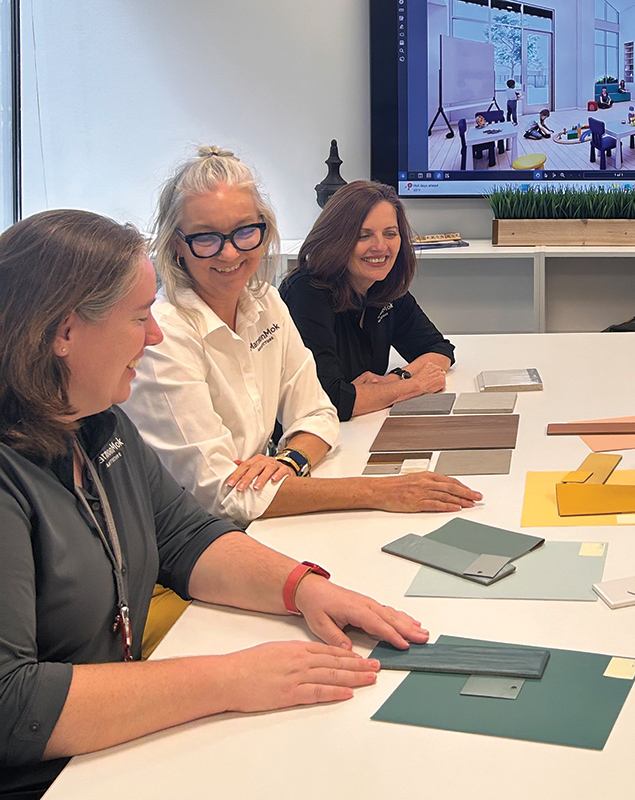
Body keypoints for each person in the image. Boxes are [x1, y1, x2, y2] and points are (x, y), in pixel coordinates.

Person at [0, 209, 433, 798]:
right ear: (63, 332)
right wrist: (231, 678)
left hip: (105, 752)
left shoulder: (100, 425)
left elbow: (185, 536)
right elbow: (12, 704)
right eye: (139, 318)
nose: (154, 336)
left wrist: (304, 589)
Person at [123, 147, 481, 530]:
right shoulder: (163, 337)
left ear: (264, 231)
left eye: (245, 231)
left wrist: (288, 461)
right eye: (206, 237)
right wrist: (381, 490)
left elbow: (318, 414)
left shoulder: (265, 302)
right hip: (195, 535)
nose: (230, 252)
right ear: (176, 243)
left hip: (266, 503)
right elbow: (224, 495)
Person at [281, 181, 455, 420]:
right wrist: (415, 385)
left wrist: (393, 379)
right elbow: (330, 399)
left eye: (390, 234)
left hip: (360, 428)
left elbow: (440, 350)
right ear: (335, 239)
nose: (380, 246)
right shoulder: (305, 292)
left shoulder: (384, 285)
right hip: (307, 434)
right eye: (364, 236)